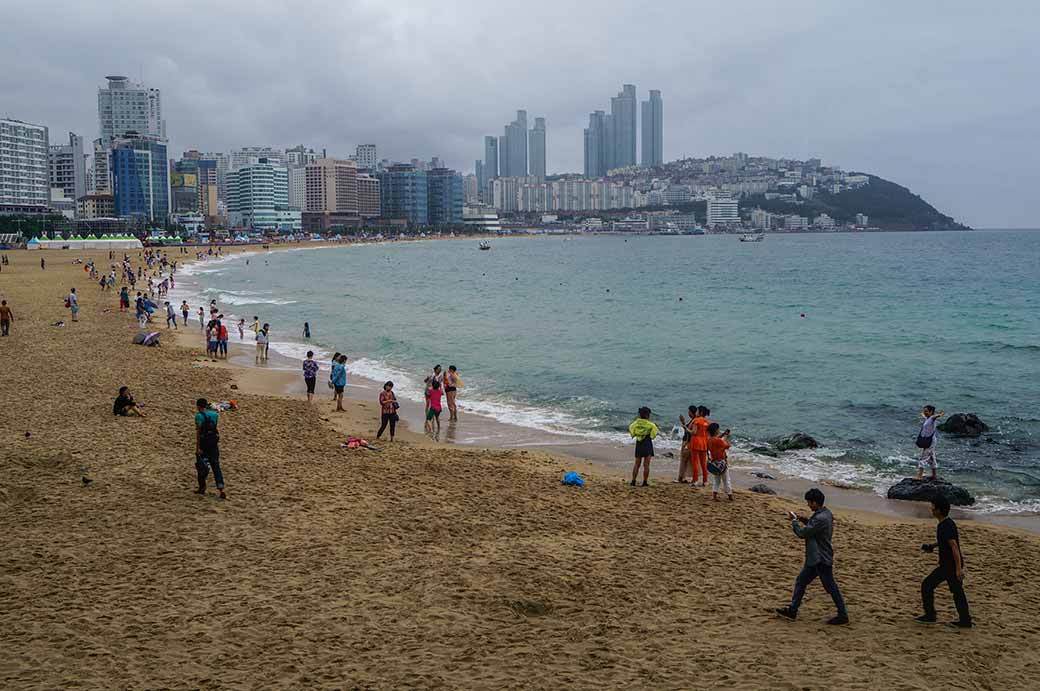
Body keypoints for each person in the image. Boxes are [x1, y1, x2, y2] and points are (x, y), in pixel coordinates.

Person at [776, 488, 850, 625]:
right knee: (801, 581)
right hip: (816, 558)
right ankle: (792, 610)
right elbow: (812, 524)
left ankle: (843, 615)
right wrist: (801, 518)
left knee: (830, 587)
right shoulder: (826, 513)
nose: (808, 505)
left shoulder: (820, 518)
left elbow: (803, 534)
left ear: (815, 503)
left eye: (809, 502)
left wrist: (794, 522)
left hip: (820, 559)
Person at [916, 495, 973, 627]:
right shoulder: (946, 523)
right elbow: (945, 542)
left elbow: (954, 547)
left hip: (949, 566)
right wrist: (932, 546)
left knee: (927, 585)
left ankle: (930, 615)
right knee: (957, 592)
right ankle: (965, 620)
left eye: (933, 507)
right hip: (950, 565)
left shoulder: (945, 526)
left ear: (939, 510)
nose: (931, 509)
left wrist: (958, 569)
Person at [194, 398, 226, 500]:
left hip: (204, 444)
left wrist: (198, 447)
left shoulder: (198, 416)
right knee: (216, 466)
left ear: (198, 406)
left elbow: (198, 433)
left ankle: (202, 487)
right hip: (213, 443)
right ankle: (221, 488)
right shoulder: (214, 415)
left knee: (201, 466)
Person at [628, 406, 658, 487]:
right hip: (647, 443)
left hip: (639, 443)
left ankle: (633, 481)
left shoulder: (635, 423)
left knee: (637, 464)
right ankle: (644, 482)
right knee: (646, 465)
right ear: (647, 415)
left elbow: (631, 429)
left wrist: (636, 434)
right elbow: (653, 435)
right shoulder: (651, 425)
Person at [682, 406, 711, 487]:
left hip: (695, 442)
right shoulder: (707, 422)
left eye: (697, 411)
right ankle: (705, 481)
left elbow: (693, 432)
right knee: (703, 463)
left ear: (700, 413)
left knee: (695, 462)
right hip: (704, 443)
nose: (696, 413)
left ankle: (695, 480)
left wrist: (685, 428)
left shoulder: (696, 420)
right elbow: (708, 435)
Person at [916, 405, 946, 481]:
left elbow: (935, 416)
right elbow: (925, 416)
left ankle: (919, 476)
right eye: (924, 411)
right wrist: (922, 414)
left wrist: (940, 414)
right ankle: (934, 475)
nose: (924, 412)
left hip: (930, 442)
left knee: (923, 457)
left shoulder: (932, 418)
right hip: (930, 441)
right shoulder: (927, 419)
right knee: (932, 458)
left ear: (931, 412)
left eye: (926, 411)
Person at [707, 423, 733, 501]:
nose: (719, 430)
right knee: (726, 480)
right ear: (716, 431)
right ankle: (729, 495)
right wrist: (728, 437)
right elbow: (727, 446)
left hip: (714, 462)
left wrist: (724, 434)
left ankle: (714, 495)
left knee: (716, 480)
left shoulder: (710, 440)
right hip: (722, 463)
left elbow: (717, 438)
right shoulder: (718, 441)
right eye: (718, 429)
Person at [676, 405, 697, 483]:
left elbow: (688, 431)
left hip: (688, 442)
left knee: (683, 460)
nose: (688, 413)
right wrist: (683, 422)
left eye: (689, 412)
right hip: (692, 443)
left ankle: (681, 477)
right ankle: (691, 478)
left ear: (692, 412)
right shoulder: (695, 421)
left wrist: (683, 423)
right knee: (691, 461)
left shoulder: (694, 421)